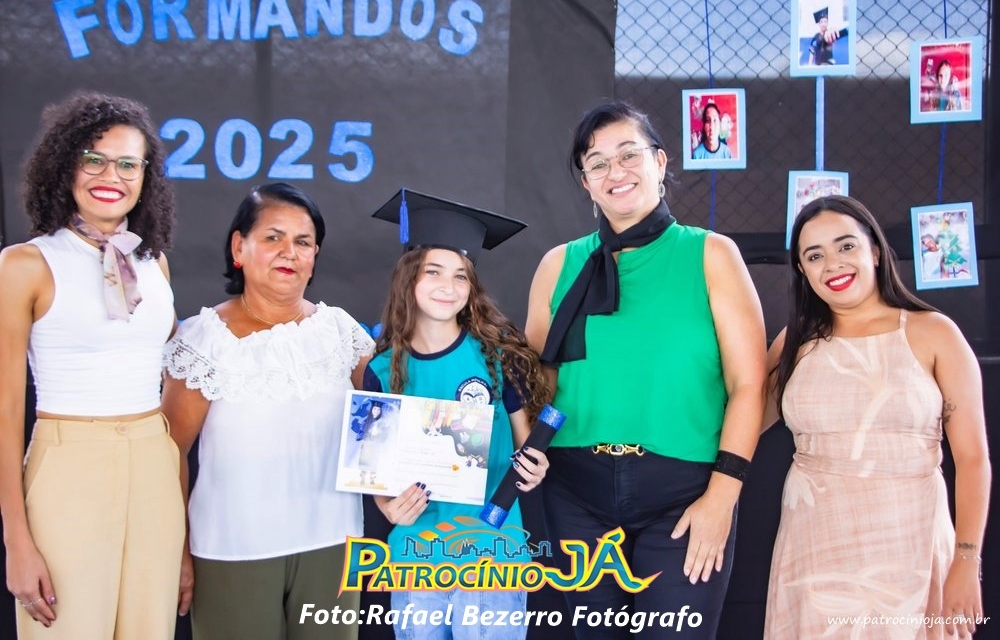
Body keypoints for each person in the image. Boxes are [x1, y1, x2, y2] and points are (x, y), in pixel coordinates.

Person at [525, 101, 766, 638]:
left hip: (685, 496)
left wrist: (722, 498)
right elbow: (537, 384)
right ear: (586, 183)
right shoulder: (557, 265)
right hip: (575, 496)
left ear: (659, 162)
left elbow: (749, 385)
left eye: (628, 154)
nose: (616, 171)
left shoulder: (711, 254)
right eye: (597, 163)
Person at [763, 196, 990, 639]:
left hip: (911, 548)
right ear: (802, 271)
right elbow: (743, 425)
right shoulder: (794, 343)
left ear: (875, 251)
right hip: (816, 554)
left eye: (846, 246)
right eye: (815, 255)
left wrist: (966, 561)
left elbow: (973, 459)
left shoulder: (933, 332)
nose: (833, 263)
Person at [0, 91, 182, 639]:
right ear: (65, 165)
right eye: (93, 159)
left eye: (128, 164)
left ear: (145, 176)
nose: (111, 176)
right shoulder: (25, 264)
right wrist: (16, 540)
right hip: (68, 467)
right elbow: (6, 409)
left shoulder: (154, 263)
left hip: (153, 464)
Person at [160, 182, 374, 640]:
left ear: (315, 256)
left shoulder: (341, 333)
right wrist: (176, 550)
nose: (289, 253)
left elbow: (382, 425)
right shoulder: (203, 340)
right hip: (232, 550)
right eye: (273, 237)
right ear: (239, 247)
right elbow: (168, 452)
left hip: (333, 544)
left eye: (303, 242)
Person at [367, 190, 550, 640]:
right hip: (417, 555)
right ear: (408, 277)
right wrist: (389, 507)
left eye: (461, 276)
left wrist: (535, 469)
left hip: (491, 552)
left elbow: (526, 448)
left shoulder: (497, 358)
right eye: (433, 272)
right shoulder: (380, 370)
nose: (448, 287)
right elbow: (374, 476)